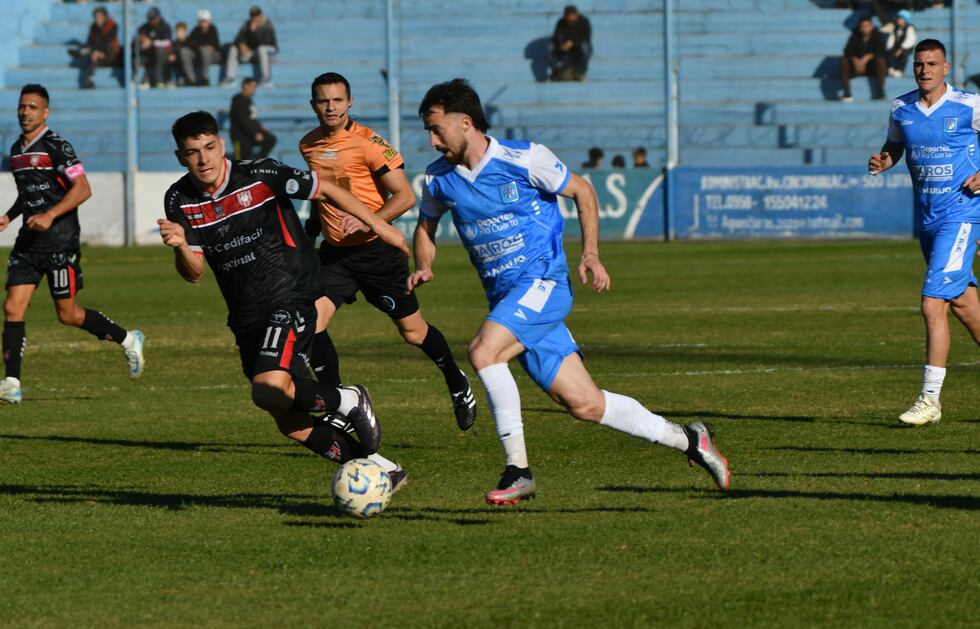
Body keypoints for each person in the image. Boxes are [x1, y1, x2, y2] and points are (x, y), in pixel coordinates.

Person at [409, 79, 730, 504]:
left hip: (544, 284)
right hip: (509, 302)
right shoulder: (438, 179)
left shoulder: (523, 158)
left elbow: (582, 190)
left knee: (484, 352)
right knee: (586, 404)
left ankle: (517, 470)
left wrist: (590, 255)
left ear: (465, 122)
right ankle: (691, 441)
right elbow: (426, 226)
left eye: (436, 129)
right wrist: (425, 264)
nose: (431, 141)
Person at [158, 110, 411, 481]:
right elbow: (194, 274)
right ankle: (382, 471)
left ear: (222, 145)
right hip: (245, 315)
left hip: (289, 294)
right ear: (181, 156)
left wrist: (380, 225)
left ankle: (349, 400)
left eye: (210, 147)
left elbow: (325, 188)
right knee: (287, 417)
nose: (204, 158)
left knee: (269, 386)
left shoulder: (260, 174)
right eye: (193, 152)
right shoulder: (177, 200)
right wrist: (180, 245)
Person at [299, 72, 477, 438]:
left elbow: (405, 197)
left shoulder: (370, 143)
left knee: (413, 333)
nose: (330, 107)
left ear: (350, 103)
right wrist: (312, 229)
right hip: (335, 255)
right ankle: (339, 403)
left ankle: (456, 379)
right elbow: (325, 195)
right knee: (312, 323)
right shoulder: (308, 145)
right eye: (322, 100)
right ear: (313, 104)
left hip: (377, 254)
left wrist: (370, 223)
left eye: (337, 100)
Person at [0, 84, 144, 404]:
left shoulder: (58, 147)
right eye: (22, 106)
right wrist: (9, 217)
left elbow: (83, 188)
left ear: (45, 112)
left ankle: (127, 339)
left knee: (68, 314)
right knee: (12, 307)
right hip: (28, 242)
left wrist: (51, 215)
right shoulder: (15, 151)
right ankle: (11, 382)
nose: (26, 112)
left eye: (33, 107)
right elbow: (28, 193)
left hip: (60, 242)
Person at [868, 39, 980, 425]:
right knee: (965, 306)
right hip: (928, 220)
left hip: (962, 215)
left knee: (933, 302)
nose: (925, 70)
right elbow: (894, 146)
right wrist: (885, 159)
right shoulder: (901, 108)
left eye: (932, 63)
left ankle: (929, 399)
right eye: (919, 64)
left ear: (946, 68)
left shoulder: (970, 105)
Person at [222, 6, 277, 86]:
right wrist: (241, 45)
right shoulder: (247, 24)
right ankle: (230, 78)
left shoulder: (267, 24)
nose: (255, 18)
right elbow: (237, 38)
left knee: (261, 49)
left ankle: (266, 78)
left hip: (270, 52)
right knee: (233, 48)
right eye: (252, 16)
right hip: (253, 53)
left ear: (260, 15)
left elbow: (265, 42)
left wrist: (254, 31)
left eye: (256, 15)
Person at [840, 16, 887, 102]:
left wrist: (867, 57)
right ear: (859, 27)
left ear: (871, 26)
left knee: (880, 60)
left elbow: (882, 50)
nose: (865, 29)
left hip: (872, 68)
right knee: (844, 61)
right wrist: (855, 60)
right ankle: (846, 93)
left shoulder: (877, 35)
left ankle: (880, 91)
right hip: (855, 67)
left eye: (867, 26)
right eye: (863, 26)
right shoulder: (855, 35)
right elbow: (847, 51)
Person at [229, 78, 276, 160]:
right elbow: (244, 119)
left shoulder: (249, 100)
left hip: (248, 135)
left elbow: (251, 118)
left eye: (255, 87)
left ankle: (258, 162)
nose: (254, 89)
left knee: (270, 139)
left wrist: (260, 127)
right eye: (252, 86)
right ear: (245, 86)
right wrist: (255, 132)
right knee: (240, 161)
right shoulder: (238, 100)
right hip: (239, 137)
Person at [75, 6, 121, 89]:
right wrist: (94, 51)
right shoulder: (93, 27)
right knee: (92, 55)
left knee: (97, 49)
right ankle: (90, 80)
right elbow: (90, 42)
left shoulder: (113, 25)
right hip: (97, 56)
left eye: (100, 17)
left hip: (112, 57)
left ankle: (83, 52)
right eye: (96, 17)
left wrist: (95, 50)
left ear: (105, 16)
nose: (97, 19)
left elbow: (106, 40)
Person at [178, 9, 222, 87]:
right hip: (199, 54)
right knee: (184, 51)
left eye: (204, 21)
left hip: (213, 55)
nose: (203, 23)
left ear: (209, 21)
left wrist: (200, 47)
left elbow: (214, 46)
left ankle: (205, 78)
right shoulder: (195, 30)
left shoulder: (213, 29)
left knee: (205, 50)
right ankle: (191, 79)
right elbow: (190, 43)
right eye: (201, 21)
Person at [549, 5, 592, 81]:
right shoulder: (561, 22)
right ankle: (555, 73)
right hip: (566, 50)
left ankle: (581, 73)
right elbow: (556, 37)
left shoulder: (584, 21)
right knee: (551, 46)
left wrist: (573, 43)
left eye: (572, 21)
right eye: (568, 20)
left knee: (584, 46)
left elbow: (586, 38)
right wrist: (561, 45)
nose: (570, 22)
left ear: (577, 15)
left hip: (579, 50)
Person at [136, 7, 173, 88]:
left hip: (162, 55)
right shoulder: (145, 27)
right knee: (136, 53)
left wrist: (152, 43)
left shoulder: (165, 27)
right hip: (149, 54)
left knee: (160, 51)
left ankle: (160, 80)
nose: (151, 21)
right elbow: (138, 35)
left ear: (158, 17)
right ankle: (137, 79)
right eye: (149, 19)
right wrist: (142, 39)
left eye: (152, 19)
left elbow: (168, 43)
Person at [885, 10, 917, 78]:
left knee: (904, 55)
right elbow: (891, 38)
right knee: (890, 52)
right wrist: (890, 47)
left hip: (906, 48)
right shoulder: (896, 28)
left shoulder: (909, 28)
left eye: (900, 18)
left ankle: (900, 70)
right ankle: (891, 67)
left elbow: (910, 40)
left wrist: (902, 48)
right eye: (898, 18)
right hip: (896, 47)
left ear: (905, 20)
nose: (898, 20)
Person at [169, 22, 190, 86]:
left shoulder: (189, 41)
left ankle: (186, 78)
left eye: (181, 31)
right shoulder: (175, 42)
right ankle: (171, 79)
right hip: (177, 62)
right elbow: (173, 51)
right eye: (178, 31)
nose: (179, 33)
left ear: (185, 31)